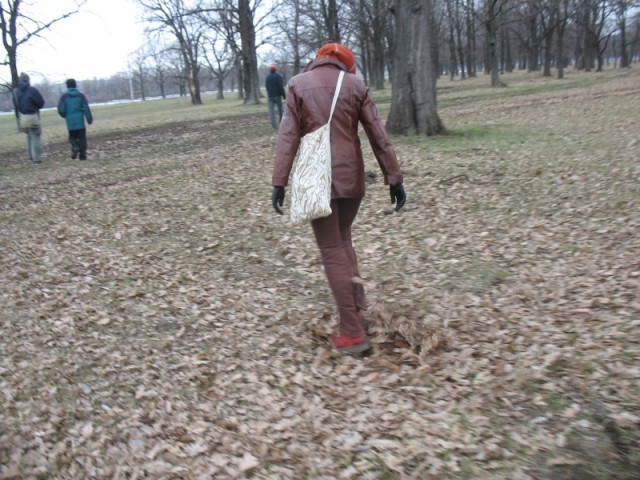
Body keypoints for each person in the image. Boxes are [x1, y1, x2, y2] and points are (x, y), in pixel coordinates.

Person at [271, 43, 407, 354]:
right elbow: (378, 134)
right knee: (343, 241)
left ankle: (351, 333)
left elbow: (288, 136)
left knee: (332, 248)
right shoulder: (356, 85)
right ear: (346, 64)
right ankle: (356, 309)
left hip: (317, 179)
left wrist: (279, 181)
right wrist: (394, 178)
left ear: (318, 59)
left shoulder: (297, 85)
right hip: (351, 177)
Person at [13, 73, 45, 163]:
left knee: (28, 136)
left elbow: (15, 105)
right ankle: (36, 158)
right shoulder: (32, 90)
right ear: (28, 80)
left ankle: (30, 155)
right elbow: (41, 102)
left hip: (22, 117)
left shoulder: (15, 91)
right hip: (32, 116)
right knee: (35, 136)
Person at [57, 79, 93, 160]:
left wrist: (65, 115)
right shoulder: (81, 96)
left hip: (70, 122)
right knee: (82, 139)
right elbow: (86, 108)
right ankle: (82, 156)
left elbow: (60, 109)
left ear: (67, 86)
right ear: (75, 85)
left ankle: (74, 146)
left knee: (72, 137)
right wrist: (89, 120)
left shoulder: (64, 97)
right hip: (80, 122)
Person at [265, 64, 286, 129]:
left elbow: (267, 87)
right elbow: (281, 87)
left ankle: (273, 125)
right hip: (277, 96)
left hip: (270, 96)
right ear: (275, 69)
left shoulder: (267, 77)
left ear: (270, 70)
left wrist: (269, 94)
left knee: (271, 111)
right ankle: (282, 124)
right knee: (280, 110)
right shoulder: (278, 76)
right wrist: (284, 95)